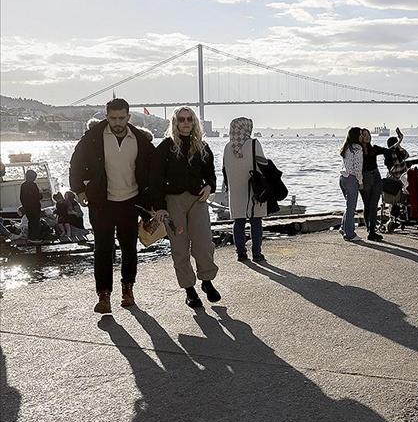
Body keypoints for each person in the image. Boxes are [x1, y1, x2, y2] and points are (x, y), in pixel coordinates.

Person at [69, 98, 155, 314]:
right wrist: (79, 191)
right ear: (106, 116)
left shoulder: (140, 139)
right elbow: (76, 163)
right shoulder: (93, 137)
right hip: (101, 202)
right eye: (113, 118)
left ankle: (128, 289)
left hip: (130, 201)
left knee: (129, 249)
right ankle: (104, 296)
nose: (117, 122)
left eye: (121, 118)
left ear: (128, 117)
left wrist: (154, 202)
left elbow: (154, 168)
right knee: (103, 250)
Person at [151, 107, 220, 309]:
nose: (186, 122)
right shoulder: (164, 148)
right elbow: (154, 180)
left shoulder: (203, 147)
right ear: (175, 122)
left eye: (190, 119)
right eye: (181, 119)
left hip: (197, 200)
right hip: (173, 201)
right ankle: (189, 289)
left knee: (204, 243)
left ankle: (207, 281)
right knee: (180, 247)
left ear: (194, 122)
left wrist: (209, 186)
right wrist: (159, 207)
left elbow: (211, 175)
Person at [222, 117, 269, 261]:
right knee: (256, 221)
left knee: (239, 222)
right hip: (254, 188)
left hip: (235, 190)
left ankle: (241, 253)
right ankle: (257, 254)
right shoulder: (254, 144)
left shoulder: (228, 147)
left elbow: (224, 169)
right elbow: (263, 165)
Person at [359, 128, 403, 241]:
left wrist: (400, 141)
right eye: (364, 135)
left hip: (376, 177)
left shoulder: (374, 148)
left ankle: (372, 231)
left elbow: (389, 150)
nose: (367, 136)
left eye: (368, 134)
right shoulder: (357, 151)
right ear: (360, 137)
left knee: (374, 205)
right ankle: (369, 228)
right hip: (365, 177)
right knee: (367, 205)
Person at [339, 127, 363, 241]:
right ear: (356, 136)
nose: (362, 136)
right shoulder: (357, 148)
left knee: (349, 206)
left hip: (342, 178)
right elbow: (358, 168)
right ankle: (350, 234)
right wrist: (361, 181)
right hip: (352, 179)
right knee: (351, 207)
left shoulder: (346, 147)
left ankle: (343, 227)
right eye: (360, 134)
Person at [19, 169, 42, 240]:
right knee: (36, 222)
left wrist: (25, 206)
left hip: (27, 207)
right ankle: (36, 237)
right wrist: (41, 195)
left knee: (31, 222)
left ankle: (31, 237)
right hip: (35, 207)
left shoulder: (23, 185)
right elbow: (37, 196)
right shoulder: (33, 185)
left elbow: (22, 197)